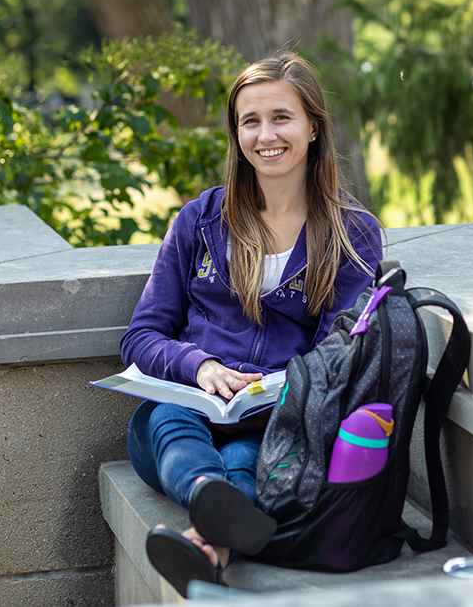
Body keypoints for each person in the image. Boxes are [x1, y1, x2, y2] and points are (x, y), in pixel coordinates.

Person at [120, 51, 382, 594]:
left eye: (281, 117)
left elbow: (339, 349)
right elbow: (141, 335)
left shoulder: (352, 233)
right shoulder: (201, 221)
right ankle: (211, 499)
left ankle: (209, 544)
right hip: (185, 412)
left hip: (275, 424)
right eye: (250, 120)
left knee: (248, 457)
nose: (266, 134)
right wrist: (200, 365)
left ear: (313, 126)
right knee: (167, 421)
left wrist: (272, 384)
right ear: (236, 132)